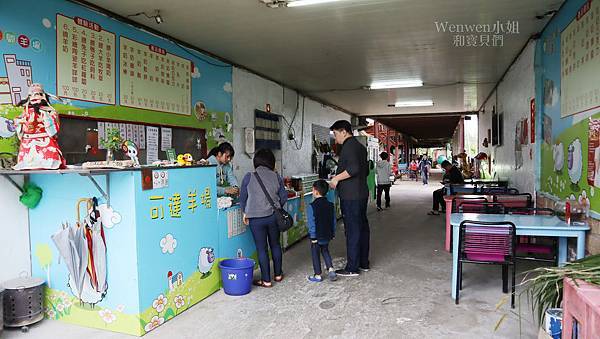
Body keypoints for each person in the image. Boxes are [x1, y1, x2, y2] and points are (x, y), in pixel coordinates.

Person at [240, 149, 288, 288]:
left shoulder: (249, 176)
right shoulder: (276, 176)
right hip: (273, 217)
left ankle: (266, 280)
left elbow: (242, 198)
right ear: (271, 162)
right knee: (275, 245)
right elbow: (284, 197)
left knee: (261, 249)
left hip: (255, 219)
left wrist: (245, 213)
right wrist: (277, 207)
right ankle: (278, 275)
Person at [329, 120, 370, 277]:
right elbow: (364, 171)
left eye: (336, 133)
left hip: (351, 196)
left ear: (344, 131)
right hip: (361, 193)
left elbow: (353, 169)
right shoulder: (360, 147)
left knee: (352, 230)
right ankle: (363, 262)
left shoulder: (348, 147)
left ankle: (352, 267)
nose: (335, 137)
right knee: (362, 227)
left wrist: (336, 179)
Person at [307, 180, 337, 283]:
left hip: (317, 236)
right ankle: (331, 269)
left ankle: (318, 275)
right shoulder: (330, 205)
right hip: (327, 234)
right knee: (325, 250)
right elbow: (333, 221)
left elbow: (311, 223)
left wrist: (313, 236)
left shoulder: (312, 206)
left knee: (315, 254)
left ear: (315, 191)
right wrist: (333, 233)